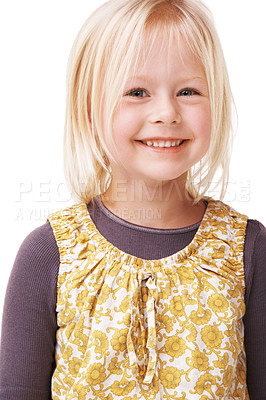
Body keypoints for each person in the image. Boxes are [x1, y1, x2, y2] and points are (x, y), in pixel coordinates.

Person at [0, 0, 265, 398]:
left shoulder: (248, 250)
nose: (166, 112)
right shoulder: (48, 254)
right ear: (90, 109)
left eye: (188, 91)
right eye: (137, 91)